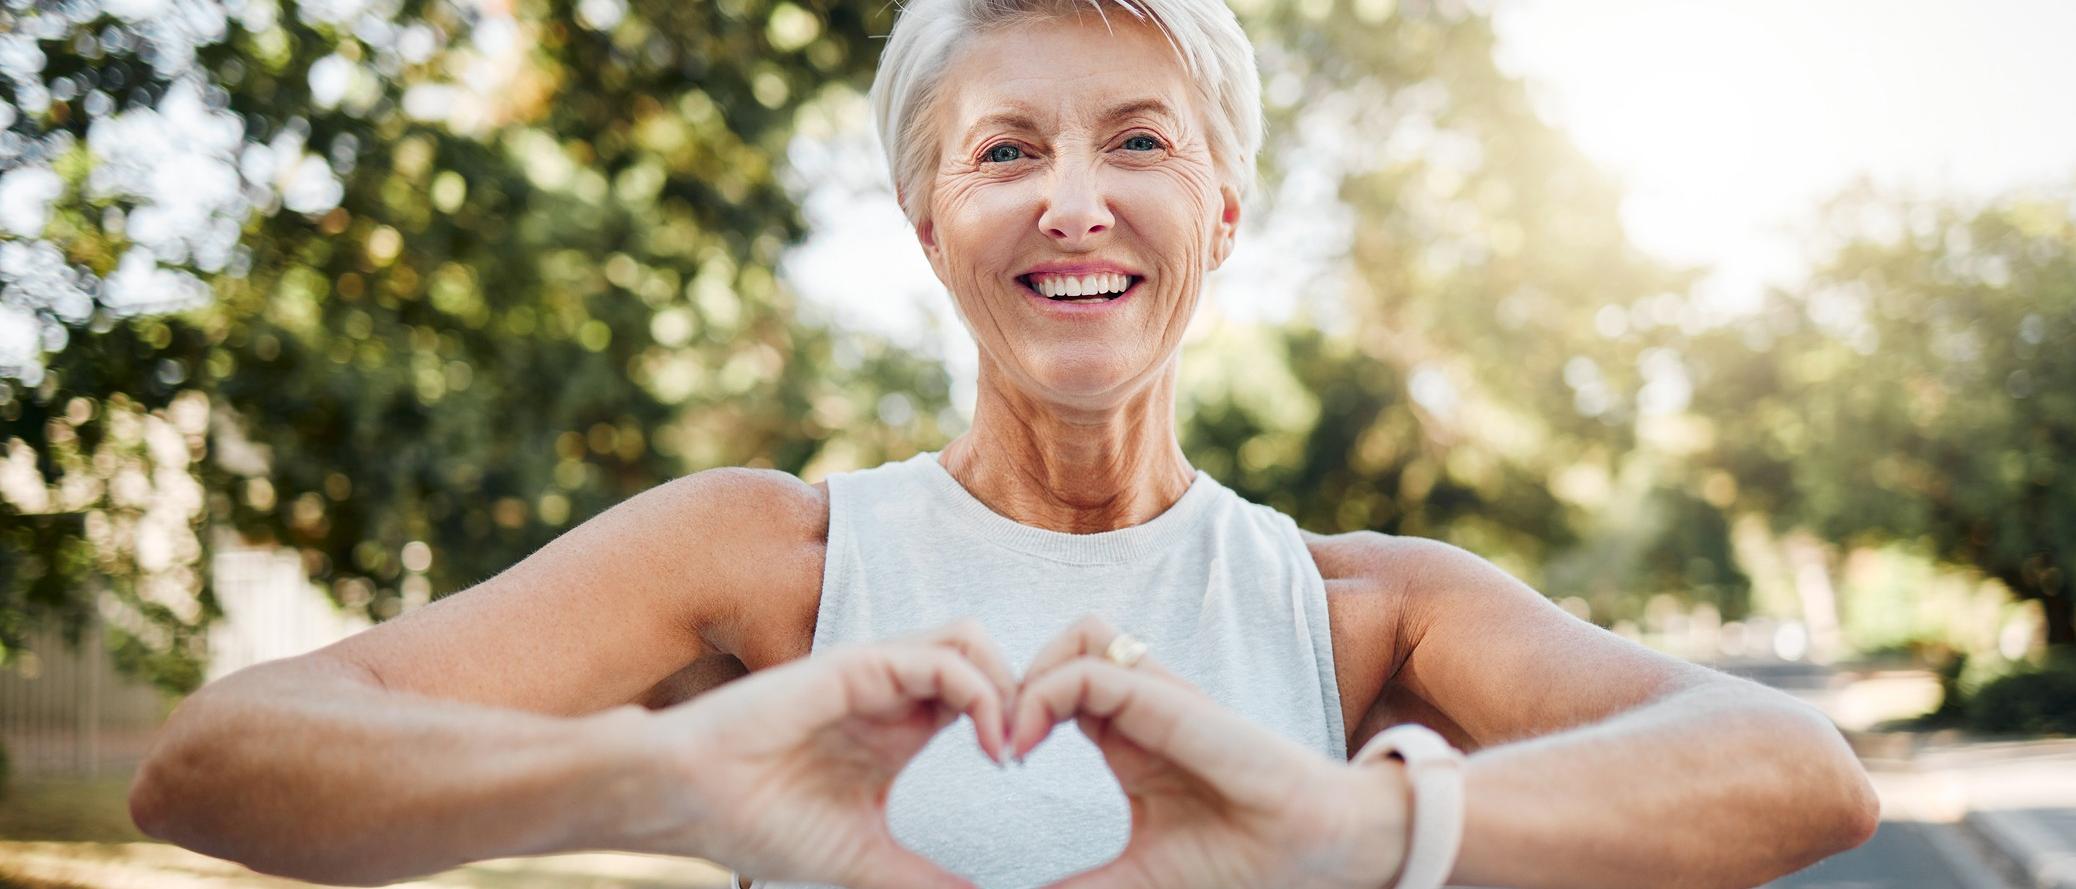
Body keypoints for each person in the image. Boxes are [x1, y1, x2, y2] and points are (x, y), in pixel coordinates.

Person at [126, 1, 1882, 887]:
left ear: (1220, 207)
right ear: (927, 223)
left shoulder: (1363, 610)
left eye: (1136, 138)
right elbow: (215, 759)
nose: (1074, 199)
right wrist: (662, 780)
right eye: (1003, 150)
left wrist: (1354, 826)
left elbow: (1797, 775)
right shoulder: (764, 559)